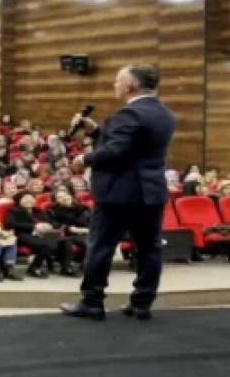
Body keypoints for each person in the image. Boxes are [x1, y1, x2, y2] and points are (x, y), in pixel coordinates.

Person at [62, 64, 175, 321]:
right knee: (149, 248)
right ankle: (142, 303)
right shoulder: (164, 114)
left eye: (118, 81)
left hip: (118, 192)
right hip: (150, 190)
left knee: (101, 246)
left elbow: (116, 151)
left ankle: (92, 301)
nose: (115, 85)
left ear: (130, 86)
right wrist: (96, 130)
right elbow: (134, 144)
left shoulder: (127, 114)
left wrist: (85, 159)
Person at [3, 192, 59, 279]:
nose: (29, 200)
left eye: (31, 198)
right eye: (25, 198)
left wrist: (48, 225)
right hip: (23, 234)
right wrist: (34, 226)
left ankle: (39, 266)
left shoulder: (38, 211)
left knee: (57, 242)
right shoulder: (13, 210)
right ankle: (35, 267)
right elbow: (9, 224)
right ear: (19, 201)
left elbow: (52, 222)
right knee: (48, 245)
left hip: (42, 234)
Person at [47, 189, 91, 276]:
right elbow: (54, 224)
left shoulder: (83, 208)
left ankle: (87, 266)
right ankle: (66, 268)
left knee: (90, 242)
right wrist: (69, 228)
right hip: (66, 234)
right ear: (56, 201)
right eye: (60, 197)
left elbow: (92, 221)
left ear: (70, 196)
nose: (64, 198)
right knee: (71, 242)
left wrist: (87, 229)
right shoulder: (53, 211)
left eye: (65, 195)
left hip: (85, 232)